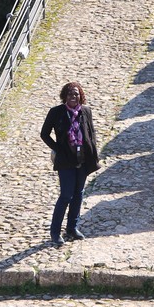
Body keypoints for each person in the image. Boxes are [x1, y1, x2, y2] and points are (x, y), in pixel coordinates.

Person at [40, 81, 100, 247]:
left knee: (78, 194)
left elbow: (91, 132)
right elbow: (44, 134)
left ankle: (72, 228)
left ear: (80, 96)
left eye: (76, 94)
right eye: (70, 94)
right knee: (66, 195)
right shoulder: (56, 112)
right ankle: (55, 231)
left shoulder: (86, 111)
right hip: (66, 160)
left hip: (82, 159)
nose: (73, 97)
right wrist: (58, 149)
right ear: (64, 96)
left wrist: (93, 154)